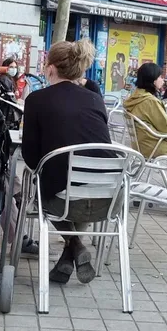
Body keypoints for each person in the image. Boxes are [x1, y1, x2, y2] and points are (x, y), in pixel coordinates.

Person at [21, 40, 112, 285]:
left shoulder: (37, 100)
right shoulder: (95, 99)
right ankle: (70, 253)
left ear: (50, 68)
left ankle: (74, 244)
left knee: (45, 186)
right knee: (76, 181)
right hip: (109, 198)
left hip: (64, 201)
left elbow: (30, 158)